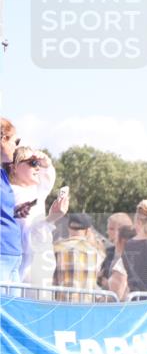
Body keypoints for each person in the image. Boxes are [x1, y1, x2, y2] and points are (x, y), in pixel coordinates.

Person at [9, 146, 64, 290]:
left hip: (34, 264)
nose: (37, 167)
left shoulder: (33, 191)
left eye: (38, 164)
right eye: (32, 162)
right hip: (24, 269)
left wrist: (47, 163)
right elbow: (29, 241)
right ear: (14, 167)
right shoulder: (15, 195)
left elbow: (47, 180)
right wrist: (51, 219)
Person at [52, 213, 104, 300]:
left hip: (62, 306)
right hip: (85, 308)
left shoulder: (56, 248)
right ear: (88, 231)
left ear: (68, 228)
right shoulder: (96, 252)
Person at [0, 118, 21, 282]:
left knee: (15, 308)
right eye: (16, 141)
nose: (16, 146)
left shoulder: (3, 175)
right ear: (2, 139)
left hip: (12, 255)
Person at [98, 212, 133, 290]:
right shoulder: (109, 251)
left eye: (111, 229)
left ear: (122, 231)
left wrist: (107, 284)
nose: (107, 232)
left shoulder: (135, 255)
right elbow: (102, 276)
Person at [107, 224, 137, 301]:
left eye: (116, 239)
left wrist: (97, 299)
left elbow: (114, 298)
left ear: (122, 241)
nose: (114, 243)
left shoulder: (123, 264)